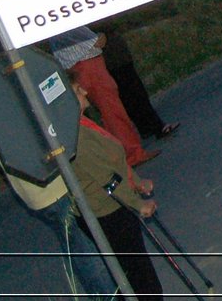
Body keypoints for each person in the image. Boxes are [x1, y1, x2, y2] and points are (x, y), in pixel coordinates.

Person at [68, 81, 166, 301]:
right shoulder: (76, 136)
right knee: (138, 278)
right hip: (107, 212)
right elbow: (106, 178)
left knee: (136, 272)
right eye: (77, 90)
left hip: (112, 207)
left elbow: (113, 160)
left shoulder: (82, 124)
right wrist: (137, 203)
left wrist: (137, 181)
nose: (85, 91)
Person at [49, 26, 155, 166]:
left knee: (91, 115)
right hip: (87, 64)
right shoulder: (64, 20)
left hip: (74, 66)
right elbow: (96, 41)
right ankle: (132, 153)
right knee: (112, 110)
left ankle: (119, 154)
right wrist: (100, 36)